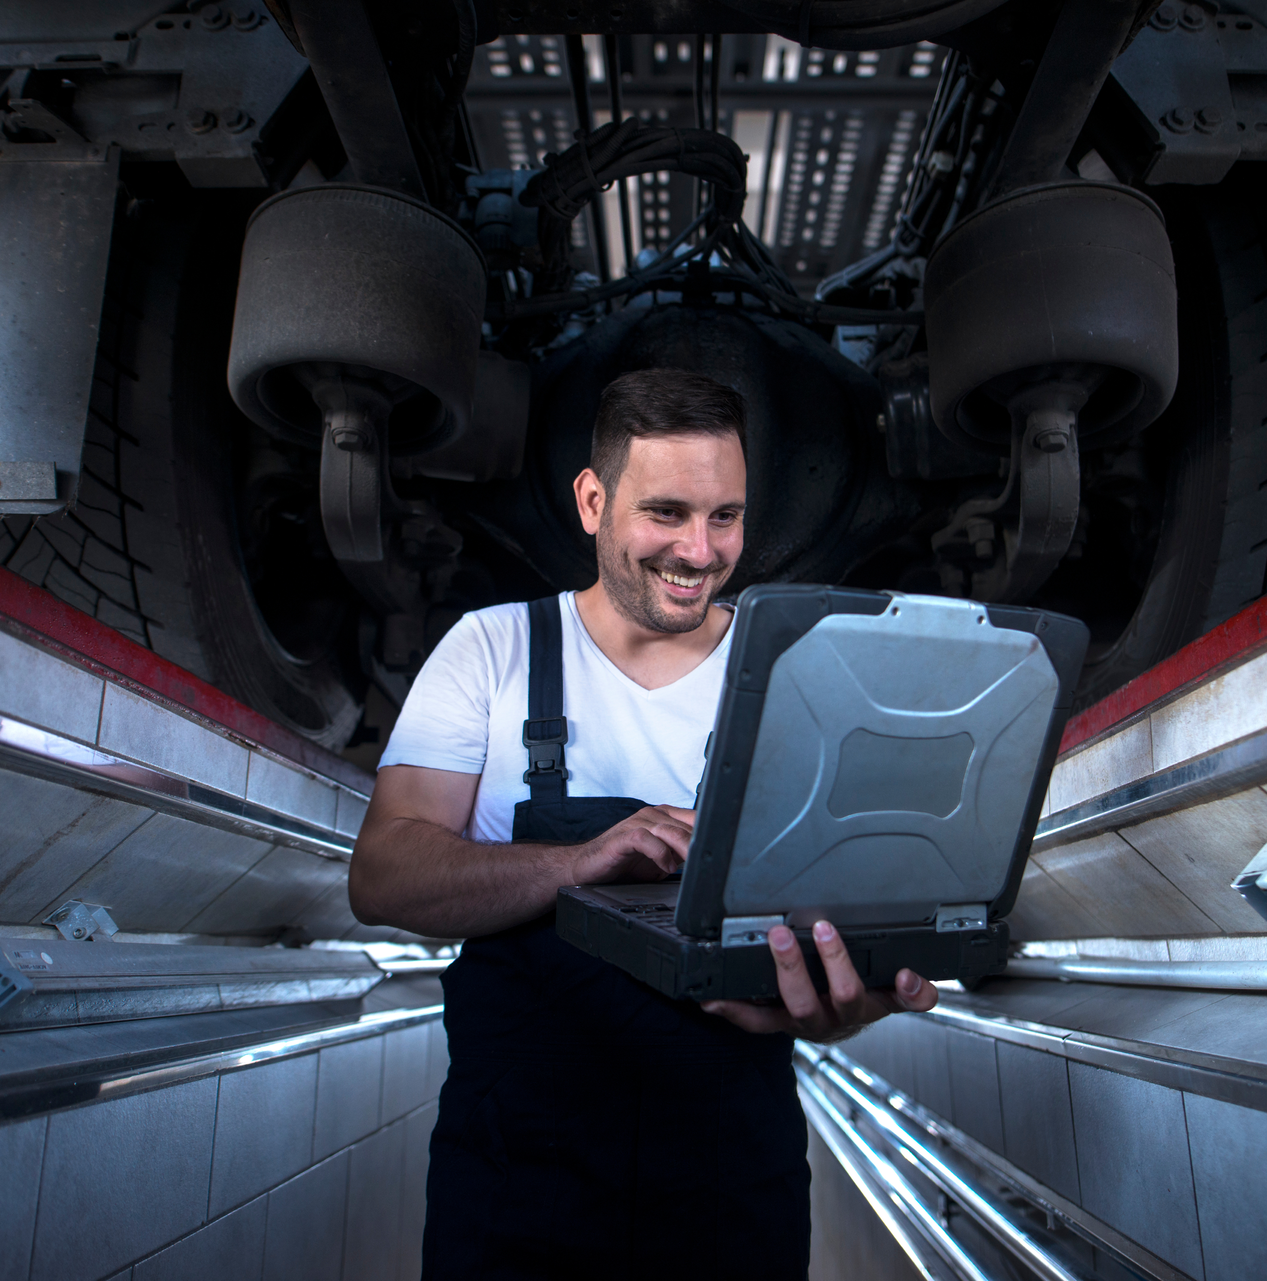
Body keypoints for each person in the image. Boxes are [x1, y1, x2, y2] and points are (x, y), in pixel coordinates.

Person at [350, 368, 940, 1278]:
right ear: (592, 500)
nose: (700, 552)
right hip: (516, 1184)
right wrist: (581, 861)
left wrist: (837, 1000)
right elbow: (383, 873)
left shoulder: (800, 671)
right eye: (666, 512)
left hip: (733, 1187)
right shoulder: (493, 649)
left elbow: (836, 905)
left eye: (726, 517)